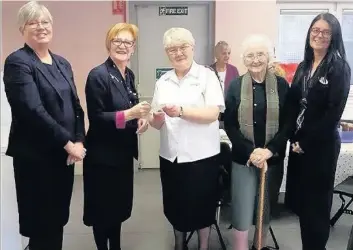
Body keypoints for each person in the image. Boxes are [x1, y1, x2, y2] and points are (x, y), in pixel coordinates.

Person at [2, 1, 86, 250]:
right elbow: (31, 110)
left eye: (45, 21)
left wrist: (79, 139)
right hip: (36, 158)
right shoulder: (18, 62)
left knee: (58, 219)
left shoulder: (62, 63)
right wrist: (68, 143)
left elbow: (76, 106)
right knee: (41, 224)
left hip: (63, 157)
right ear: (22, 29)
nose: (41, 26)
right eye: (33, 22)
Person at [148, 27, 225, 250]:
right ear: (167, 53)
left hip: (202, 156)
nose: (178, 53)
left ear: (192, 48)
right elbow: (156, 122)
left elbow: (213, 113)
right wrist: (154, 118)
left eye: (183, 47)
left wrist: (181, 111)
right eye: (172, 49)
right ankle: (179, 245)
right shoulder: (163, 81)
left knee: (203, 206)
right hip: (171, 156)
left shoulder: (206, 76)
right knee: (174, 205)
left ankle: (203, 246)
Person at [284, 13, 351, 250]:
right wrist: (293, 138)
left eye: (325, 32)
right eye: (315, 30)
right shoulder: (304, 66)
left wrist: (305, 142)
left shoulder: (339, 67)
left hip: (320, 147)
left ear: (333, 37)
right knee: (302, 205)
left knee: (317, 208)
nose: (319, 35)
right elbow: (294, 103)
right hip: (299, 144)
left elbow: (332, 113)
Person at [83, 23, 150, 250]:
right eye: (117, 41)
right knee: (103, 211)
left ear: (133, 48)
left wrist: (139, 119)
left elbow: (132, 105)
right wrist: (130, 114)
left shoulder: (128, 75)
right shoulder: (98, 75)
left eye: (127, 42)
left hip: (122, 155)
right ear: (109, 44)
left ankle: (116, 247)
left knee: (118, 208)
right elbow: (98, 117)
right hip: (102, 156)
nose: (122, 46)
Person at [223, 34, 290, 250]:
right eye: (250, 55)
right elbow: (230, 124)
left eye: (260, 54)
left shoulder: (281, 85)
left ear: (268, 56)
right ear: (244, 59)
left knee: (266, 207)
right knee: (242, 208)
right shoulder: (235, 86)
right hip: (244, 158)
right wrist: (252, 152)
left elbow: (288, 125)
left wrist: (269, 151)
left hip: (273, 158)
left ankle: (259, 245)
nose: (256, 60)